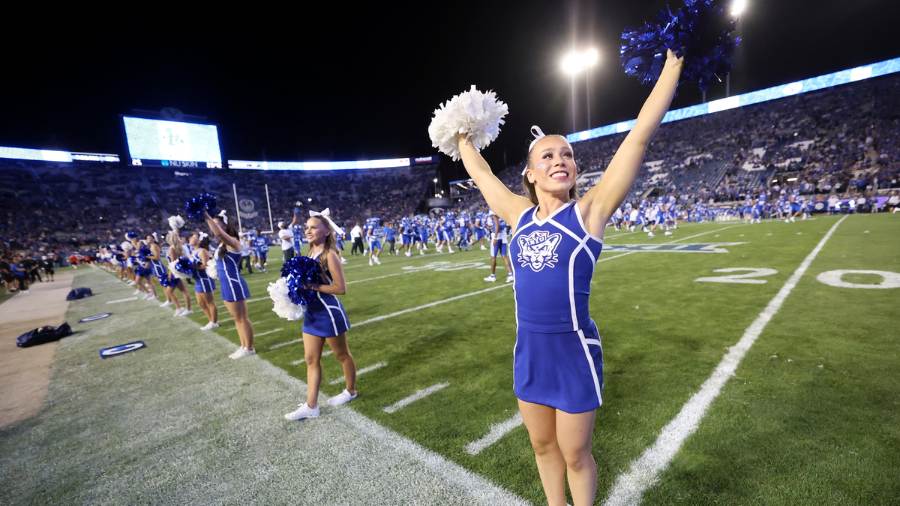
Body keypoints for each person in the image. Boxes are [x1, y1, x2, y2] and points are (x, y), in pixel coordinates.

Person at [455, 50, 682, 506]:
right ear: (531, 173)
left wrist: (673, 65)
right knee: (542, 446)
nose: (560, 161)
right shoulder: (519, 216)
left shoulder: (589, 212)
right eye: (548, 156)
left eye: (567, 155)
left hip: (574, 351)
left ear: (575, 169)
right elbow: (480, 172)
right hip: (530, 351)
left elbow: (638, 137)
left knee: (576, 452)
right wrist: (460, 131)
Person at [285, 211, 357, 421]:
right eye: (306, 227)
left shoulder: (329, 255)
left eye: (313, 227)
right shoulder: (309, 253)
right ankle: (311, 406)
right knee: (310, 358)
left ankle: (351, 391)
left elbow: (340, 288)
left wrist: (312, 285)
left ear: (326, 231)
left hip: (328, 313)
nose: (308, 230)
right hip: (312, 313)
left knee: (342, 355)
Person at [206, 210, 256, 359]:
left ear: (225, 226)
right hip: (226, 284)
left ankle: (249, 347)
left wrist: (206, 216)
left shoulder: (233, 241)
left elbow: (220, 234)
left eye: (217, 224)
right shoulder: (222, 244)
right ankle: (243, 345)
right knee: (237, 318)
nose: (213, 227)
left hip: (233, 283)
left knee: (242, 318)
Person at [189, 232, 219, 330]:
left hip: (204, 279)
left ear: (199, 240)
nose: (190, 238)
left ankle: (214, 322)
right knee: (201, 303)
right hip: (198, 280)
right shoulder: (193, 251)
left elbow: (206, 265)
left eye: (193, 237)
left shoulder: (202, 251)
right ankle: (211, 320)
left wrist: (193, 267)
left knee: (209, 302)